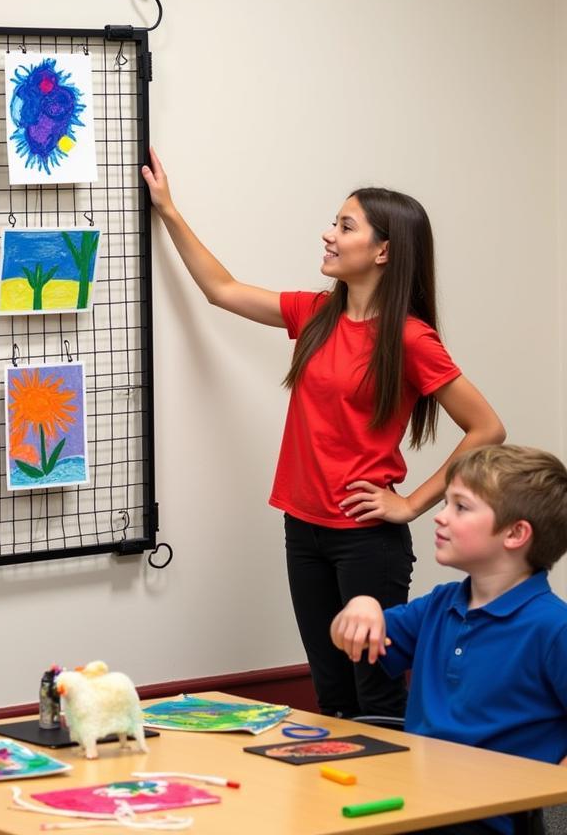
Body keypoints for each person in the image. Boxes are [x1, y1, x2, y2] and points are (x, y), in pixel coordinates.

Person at [141, 148, 504, 718]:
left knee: (375, 697)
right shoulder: (315, 314)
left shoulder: (409, 339)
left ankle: (402, 805)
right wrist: (168, 210)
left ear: (383, 251)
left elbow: (487, 427)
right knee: (331, 693)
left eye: (345, 225)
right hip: (301, 529)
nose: (329, 234)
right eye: (335, 222)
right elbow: (223, 290)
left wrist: (409, 503)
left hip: (365, 542)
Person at [331, 444, 567, 835]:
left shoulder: (552, 627)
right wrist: (360, 606)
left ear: (515, 533)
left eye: (461, 507)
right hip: (415, 804)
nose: (439, 517)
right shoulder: (440, 604)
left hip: (485, 823)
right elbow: (348, 639)